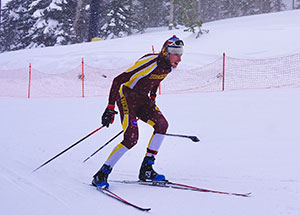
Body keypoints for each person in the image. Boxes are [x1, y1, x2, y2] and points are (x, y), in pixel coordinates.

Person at [92, 35, 184, 188]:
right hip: (127, 96)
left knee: (162, 125)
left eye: (181, 54)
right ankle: (102, 173)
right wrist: (110, 108)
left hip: (142, 98)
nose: (179, 59)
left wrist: (153, 96)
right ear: (166, 52)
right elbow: (117, 80)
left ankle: (147, 169)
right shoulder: (149, 63)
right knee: (131, 139)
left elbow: (156, 80)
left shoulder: (168, 66)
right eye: (176, 54)